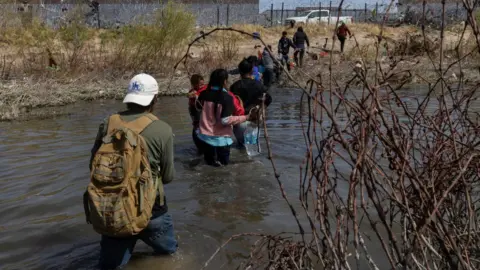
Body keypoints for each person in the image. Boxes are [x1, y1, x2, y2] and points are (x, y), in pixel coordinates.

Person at [87, 73, 177, 269]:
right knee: (170, 255)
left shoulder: (108, 123)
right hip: (152, 211)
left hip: (114, 210)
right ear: (155, 99)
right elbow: (169, 177)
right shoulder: (163, 129)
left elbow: (92, 165)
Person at [196, 69, 251, 166]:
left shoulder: (203, 94)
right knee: (223, 168)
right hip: (221, 141)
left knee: (209, 165)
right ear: (225, 81)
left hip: (204, 138)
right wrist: (246, 117)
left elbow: (198, 110)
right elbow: (225, 120)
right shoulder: (227, 97)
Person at [230, 59, 272, 148]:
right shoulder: (259, 85)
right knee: (252, 148)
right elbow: (268, 99)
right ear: (252, 70)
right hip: (254, 120)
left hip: (240, 120)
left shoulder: (234, 86)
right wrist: (261, 109)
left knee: (241, 146)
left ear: (240, 71)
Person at [187, 74, 208, 154]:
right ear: (194, 84)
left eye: (203, 84)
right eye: (200, 85)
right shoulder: (192, 92)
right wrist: (190, 95)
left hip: (205, 120)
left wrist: (197, 95)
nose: (202, 86)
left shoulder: (207, 89)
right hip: (197, 120)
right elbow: (188, 96)